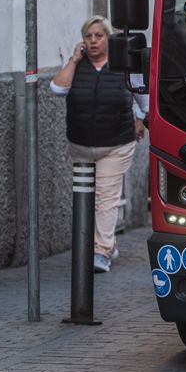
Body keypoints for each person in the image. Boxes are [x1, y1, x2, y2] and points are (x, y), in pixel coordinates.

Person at [50, 16, 147, 273]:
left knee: (105, 197)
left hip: (116, 144)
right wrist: (74, 60)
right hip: (81, 144)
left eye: (98, 36)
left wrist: (140, 120)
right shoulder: (76, 65)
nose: (93, 41)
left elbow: (144, 100)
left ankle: (101, 251)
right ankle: (106, 242)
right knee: (87, 198)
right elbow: (57, 89)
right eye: (88, 36)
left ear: (108, 38)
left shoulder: (123, 65)